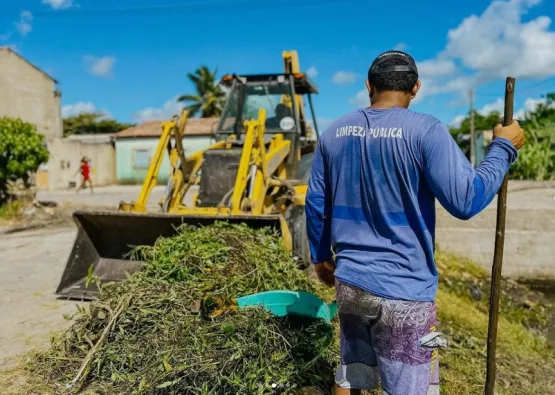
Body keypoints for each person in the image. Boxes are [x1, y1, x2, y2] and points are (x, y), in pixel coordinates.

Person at [305, 50, 524, 395]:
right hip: (404, 292)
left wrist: (320, 258)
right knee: (411, 388)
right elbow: (466, 200)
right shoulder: (426, 131)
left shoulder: (333, 134)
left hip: (351, 284)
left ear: (368, 85)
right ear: (416, 87)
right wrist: (502, 148)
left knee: (352, 372)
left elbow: (317, 205)